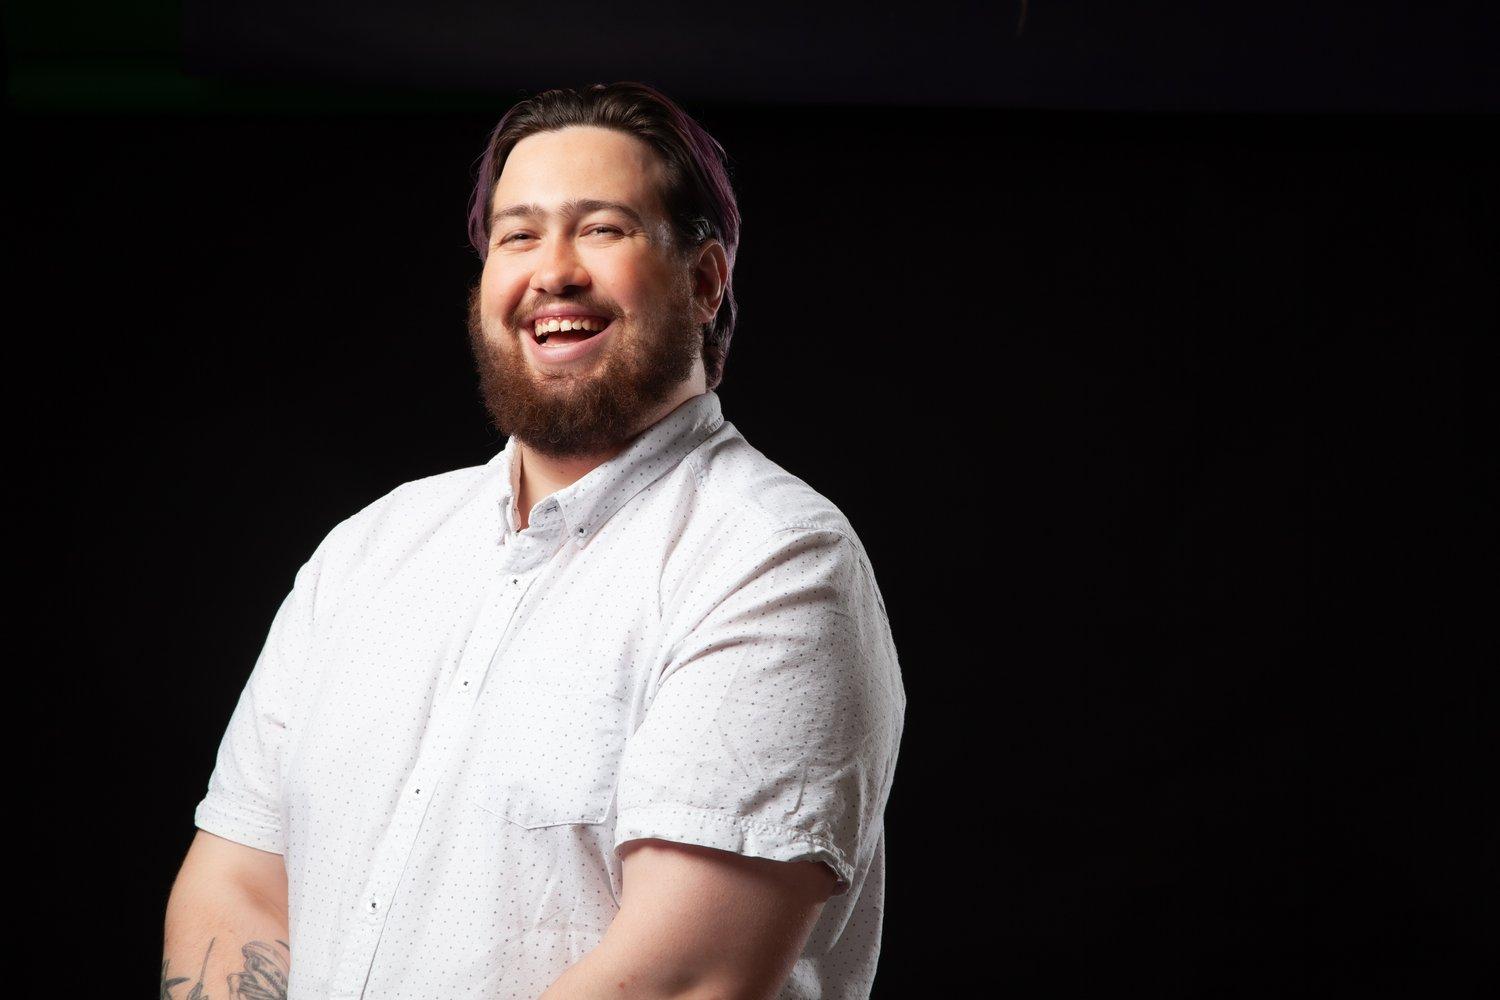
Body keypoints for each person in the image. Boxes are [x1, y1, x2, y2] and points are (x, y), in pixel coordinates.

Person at [162, 81, 906, 1000]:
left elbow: (680, 980)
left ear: (706, 281)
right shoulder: (366, 552)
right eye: (517, 235)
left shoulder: (774, 561)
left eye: (601, 228)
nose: (552, 270)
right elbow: (236, 885)